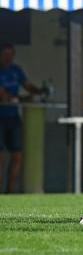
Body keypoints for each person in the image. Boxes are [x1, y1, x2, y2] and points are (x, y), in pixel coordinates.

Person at [0, 44, 43, 193]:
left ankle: (10, 192)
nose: (8, 57)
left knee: (17, 154)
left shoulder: (16, 70)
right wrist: (23, 98)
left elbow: (28, 86)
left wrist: (40, 91)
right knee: (0, 156)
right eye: (5, 54)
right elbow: (4, 95)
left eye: (10, 54)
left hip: (13, 117)